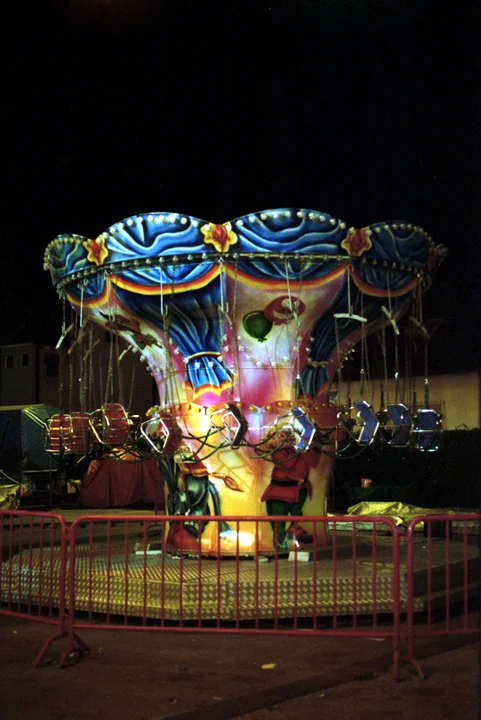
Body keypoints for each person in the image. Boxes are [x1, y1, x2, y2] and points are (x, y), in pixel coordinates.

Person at [260, 428, 321, 550]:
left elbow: (313, 462)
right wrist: (299, 449)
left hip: (298, 490)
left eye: (291, 438)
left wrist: (310, 447)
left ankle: (295, 538)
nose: (289, 441)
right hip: (278, 492)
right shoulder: (279, 452)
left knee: (296, 518)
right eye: (284, 438)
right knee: (278, 524)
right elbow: (288, 463)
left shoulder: (297, 450)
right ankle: (281, 548)